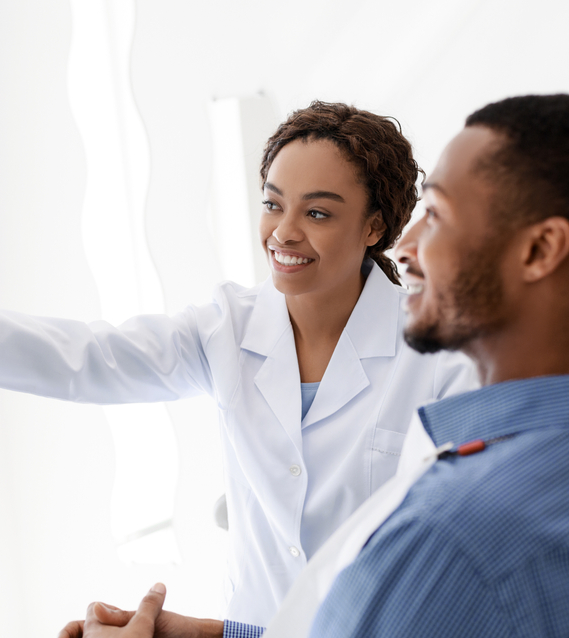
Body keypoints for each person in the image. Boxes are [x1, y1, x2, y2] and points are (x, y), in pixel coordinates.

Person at [0, 102, 476, 631]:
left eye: (318, 212)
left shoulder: (441, 353)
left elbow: (454, 537)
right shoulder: (232, 326)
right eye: (272, 203)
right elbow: (94, 358)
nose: (284, 233)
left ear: (376, 226)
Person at [82, 94, 569, 638]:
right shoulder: (532, 466)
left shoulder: (448, 532)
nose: (405, 247)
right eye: (273, 203)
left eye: (437, 215)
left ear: (539, 250)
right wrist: (215, 634)